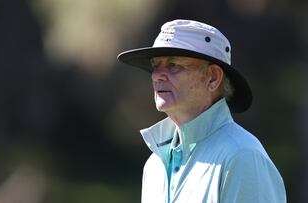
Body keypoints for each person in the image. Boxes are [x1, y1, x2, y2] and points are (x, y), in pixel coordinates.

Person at [117, 19, 286, 203]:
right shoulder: (154, 166)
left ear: (213, 78)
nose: (157, 75)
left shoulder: (242, 156)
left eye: (173, 65)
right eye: (156, 65)